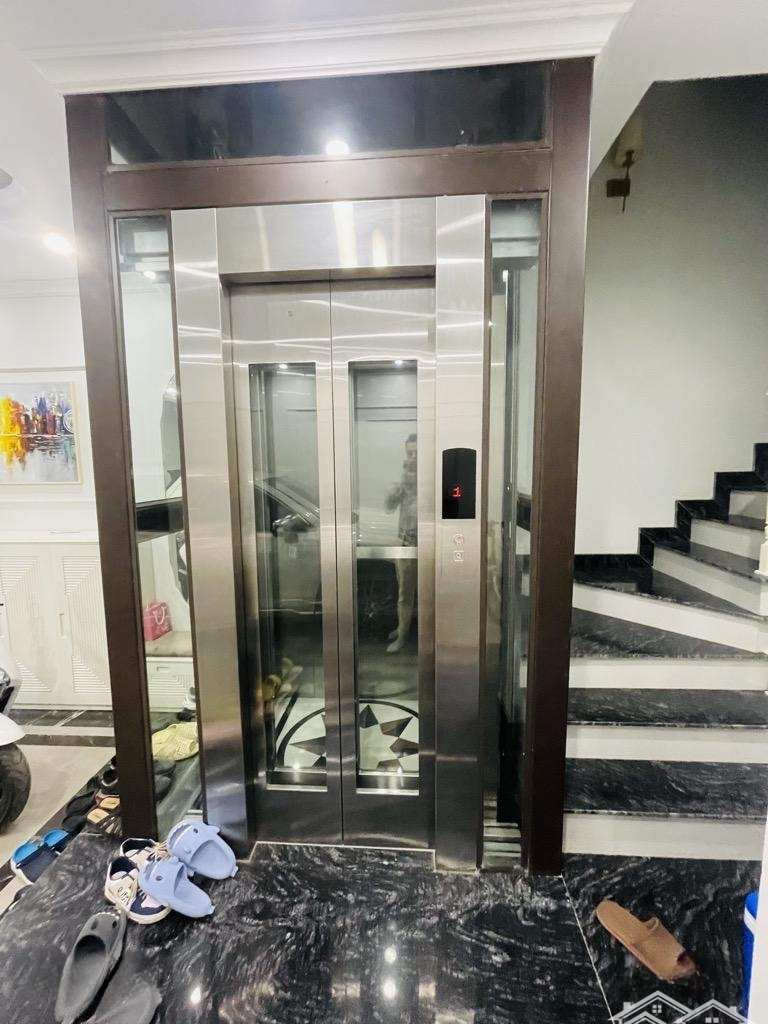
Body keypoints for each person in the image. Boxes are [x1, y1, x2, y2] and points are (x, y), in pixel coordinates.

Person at [384, 433, 417, 653]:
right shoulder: (404, 479)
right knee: (404, 592)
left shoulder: (433, 480)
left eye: (416, 453)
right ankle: (402, 631)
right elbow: (388, 508)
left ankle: (408, 634)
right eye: (409, 453)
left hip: (426, 543)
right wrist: (397, 492)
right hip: (405, 541)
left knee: (427, 592)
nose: (412, 457)